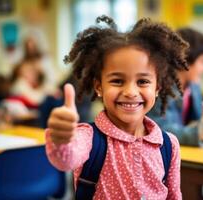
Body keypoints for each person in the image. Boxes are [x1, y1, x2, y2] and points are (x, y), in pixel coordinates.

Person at [46, 15, 189, 199]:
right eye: (117, 81)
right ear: (99, 87)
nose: (130, 91)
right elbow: (65, 159)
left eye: (143, 81)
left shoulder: (169, 145)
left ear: (157, 88)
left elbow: (174, 196)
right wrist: (61, 139)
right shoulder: (88, 138)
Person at [148, 27, 203, 146]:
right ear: (185, 59)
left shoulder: (194, 87)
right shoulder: (162, 88)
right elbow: (160, 129)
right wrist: (198, 132)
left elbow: (197, 122)